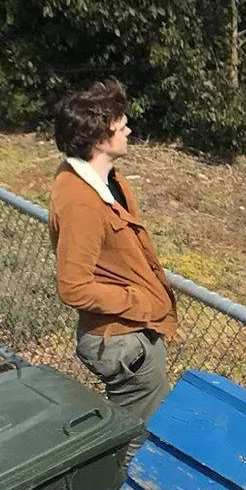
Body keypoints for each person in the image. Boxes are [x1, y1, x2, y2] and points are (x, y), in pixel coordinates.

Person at [47, 79, 177, 423]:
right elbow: (73, 286)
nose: (129, 130)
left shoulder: (108, 180)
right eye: (121, 126)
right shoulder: (81, 201)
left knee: (139, 430)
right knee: (140, 437)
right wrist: (139, 302)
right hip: (123, 341)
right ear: (99, 138)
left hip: (131, 334)